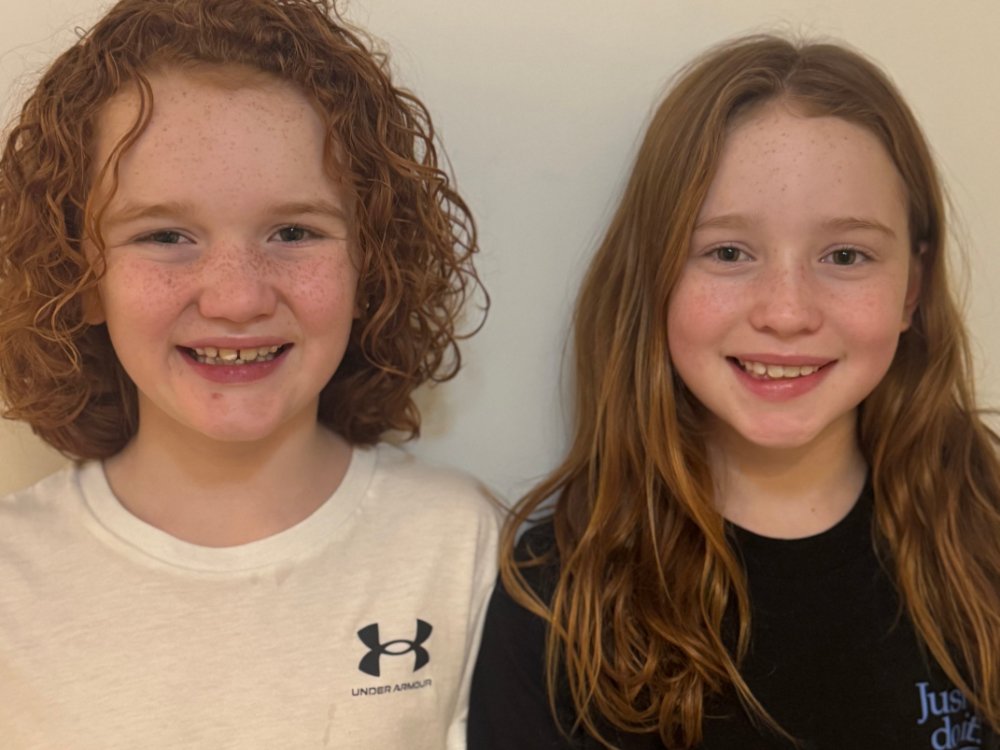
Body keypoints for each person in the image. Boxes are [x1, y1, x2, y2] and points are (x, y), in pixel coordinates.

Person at [468, 35, 1000, 749]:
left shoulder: (987, 539)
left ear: (912, 289)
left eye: (846, 255)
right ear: (655, 277)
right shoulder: (553, 600)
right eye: (727, 252)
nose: (786, 312)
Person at [0, 1, 499, 747]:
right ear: (79, 275)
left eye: (294, 231)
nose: (237, 298)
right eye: (165, 235)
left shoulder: (462, 548)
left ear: (371, 262)